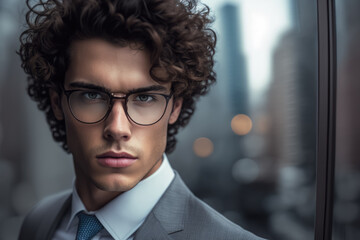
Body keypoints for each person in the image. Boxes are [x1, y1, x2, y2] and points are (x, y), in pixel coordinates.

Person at [18, 0, 265, 239]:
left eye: (145, 98)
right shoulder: (38, 222)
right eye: (91, 95)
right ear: (56, 102)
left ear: (175, 107)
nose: (117, 128)